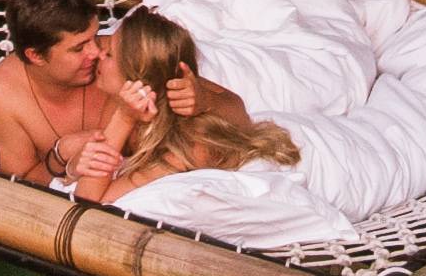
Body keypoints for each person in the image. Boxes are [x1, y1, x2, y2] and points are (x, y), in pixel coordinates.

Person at [0, 0, 138, 195]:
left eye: (95, 36)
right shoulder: (0, 96)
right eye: (79, 48)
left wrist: (200, 95)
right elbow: (19, 186)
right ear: (36, 56)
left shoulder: (116, 54)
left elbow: (195, 88)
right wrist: (62, 156)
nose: (96, 51)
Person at [105, 11, 298, 191]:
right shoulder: (113, 88)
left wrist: (123, 120)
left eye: (108, 54)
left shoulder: (181, 154)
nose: (95, 53)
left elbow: (91, 205)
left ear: (137, 78)